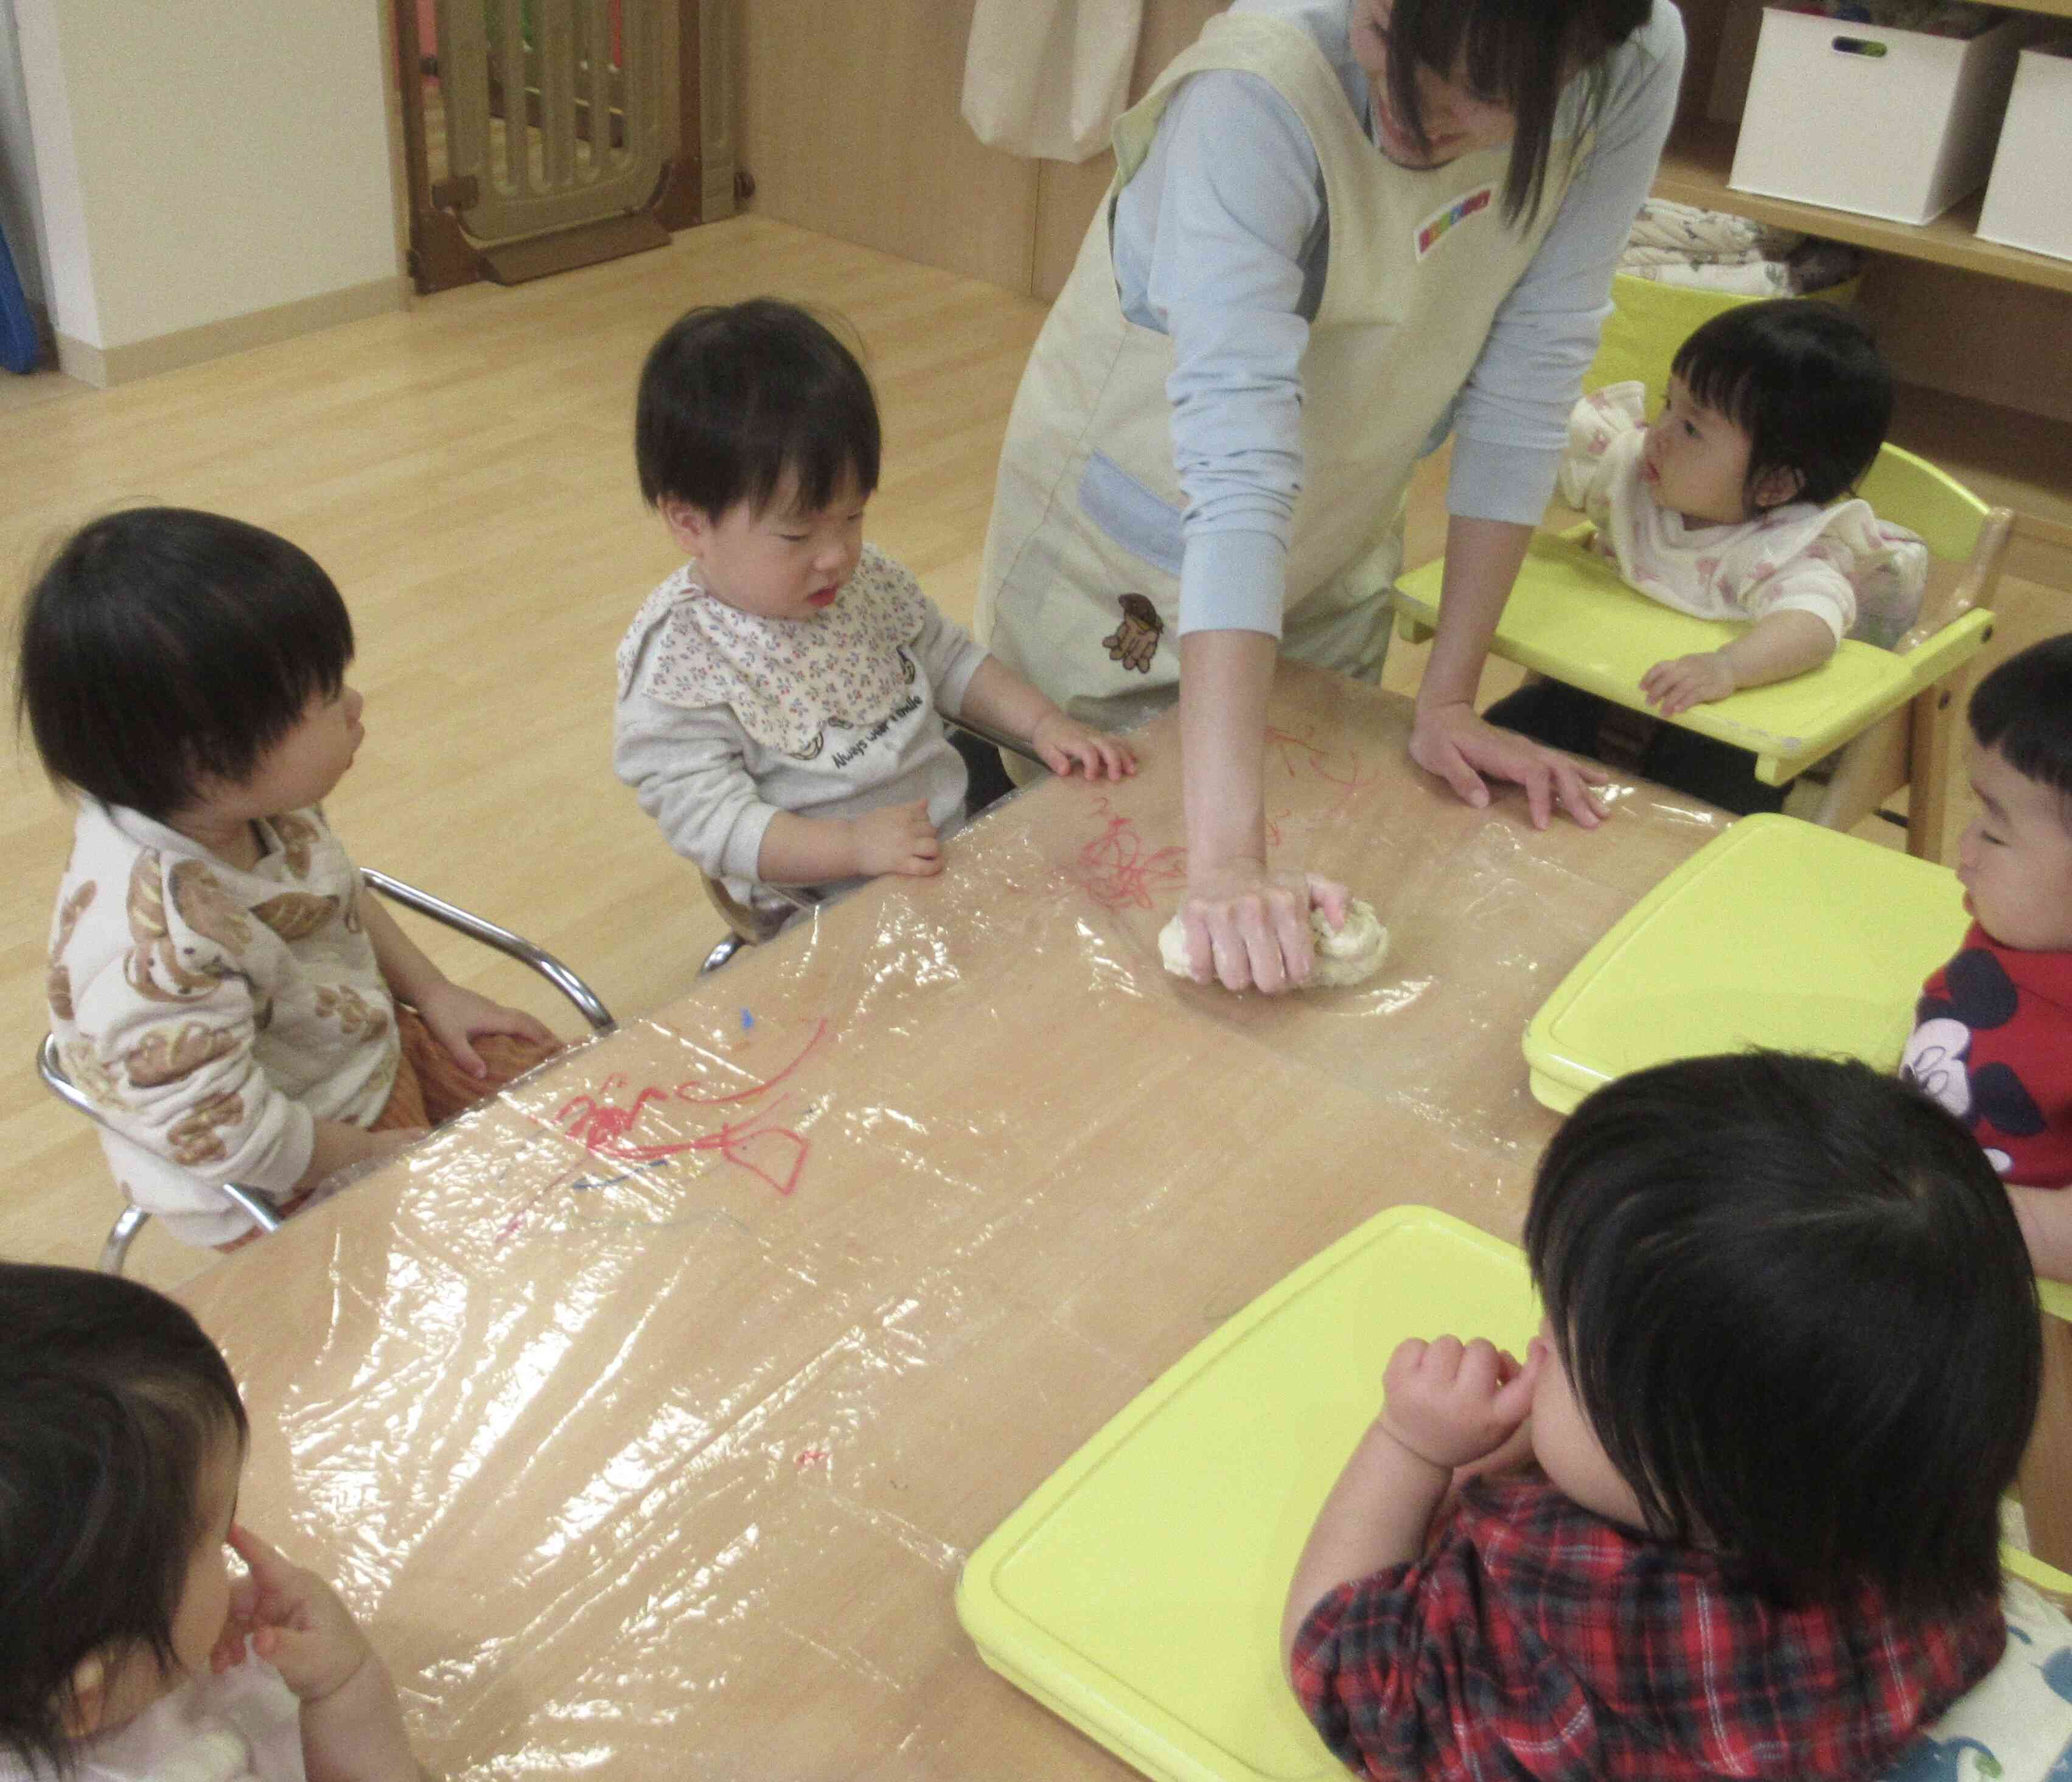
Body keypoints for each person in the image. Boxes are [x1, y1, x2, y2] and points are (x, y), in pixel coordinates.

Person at [974, 0, 1685, 993]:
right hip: (1140, 533)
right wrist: (1224, 864)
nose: (1403, 108)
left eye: (1470, 100)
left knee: (1319, 815)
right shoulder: (1253, 94)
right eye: (1390, 39)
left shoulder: (1631, 60)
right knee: (1077, 903)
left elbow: (1531, 372)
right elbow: (1238, 469)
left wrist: (1449, 693)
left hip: (1337, 517)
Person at [1283, 1051, 2037, 1780]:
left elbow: (1336, 1663)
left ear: (1704, 1474)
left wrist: (1412, 1448)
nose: (1538, 1343)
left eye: (1567, 1351)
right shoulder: (1915, 1514)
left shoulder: (1558, 1611)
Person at [20, 508, 561, 1250]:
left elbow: (331, 892)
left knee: (571, 1101)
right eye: (327, 695)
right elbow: (239, 1143)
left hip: (355, 1054)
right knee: (471, 1270)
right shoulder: (156, 956)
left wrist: (433, 991)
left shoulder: (243, 803)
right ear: (210, 758)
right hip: (280, 1165)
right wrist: (373, 1158)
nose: (357, 704)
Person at [614, 300, 1135, 920]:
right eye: (798, 536)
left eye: (854, 516)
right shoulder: (681, 664)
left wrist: (1044, 724)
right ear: (690, 522)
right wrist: (853, 847)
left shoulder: (863, 583)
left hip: (947, 845)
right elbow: (715, 824)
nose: (838, 556)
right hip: (820, 906)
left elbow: (949, 660)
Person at [0, 1261, 424, 1781]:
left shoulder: (78, 1670)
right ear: (82, 1701)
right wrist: (343, 1685)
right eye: (215, 1539)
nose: (235, 1548)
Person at [1902, 635, 2072, 1279]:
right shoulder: (2032, 925)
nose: (1963, 849)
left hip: (1979, 1269)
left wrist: (1915, 1213)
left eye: (1995, 832)